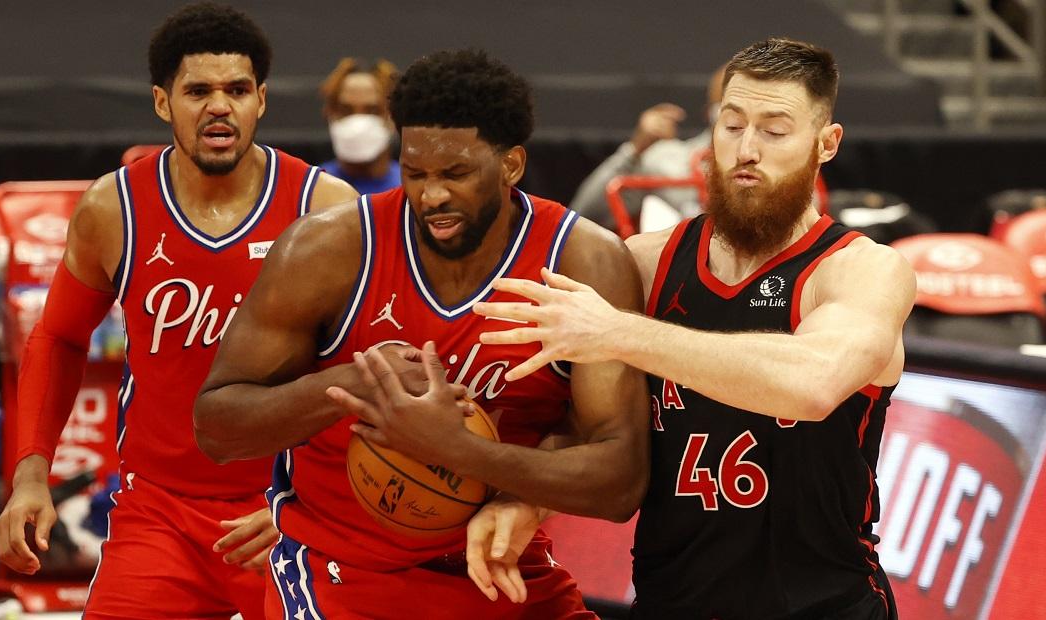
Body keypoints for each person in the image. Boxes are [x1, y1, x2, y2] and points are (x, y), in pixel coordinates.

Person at [193, 48, 649, 618]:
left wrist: (458, 453)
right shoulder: (327, 249)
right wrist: (354, 385)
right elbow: (217, 426)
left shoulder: (582, 261)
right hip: (343, 573)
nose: (432, 196)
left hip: (499, 566)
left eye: (455, 174)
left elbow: (620, 478)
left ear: (510, 165)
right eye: (416, 174)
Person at [475, 37, 914, 619]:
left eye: (774, 130)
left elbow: (813, 383)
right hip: (670, 601)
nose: (746, 149)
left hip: (824, 606)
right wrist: (526, 498)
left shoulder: (861, 270)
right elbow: (591, 424)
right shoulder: (646, 261)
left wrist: (621, 332)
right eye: (730, 126)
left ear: (825, 143)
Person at [0, 3, 357, 618]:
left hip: (282, 511)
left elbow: (364, 370)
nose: (220, 105)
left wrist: (319, 504)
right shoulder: (114, 208)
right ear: (163, 102)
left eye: (237, 89)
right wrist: (32, 470)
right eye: (199, 91)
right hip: (158, 510)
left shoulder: (324, 209)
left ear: (261, 101)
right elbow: (57, 338)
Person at [568, 65, 725, 230]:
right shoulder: (668, 160)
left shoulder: (753, 163)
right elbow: (586, 216)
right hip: (680, 253)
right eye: (726, 105)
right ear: (708, 112)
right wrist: (634, 150)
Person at [320, 57, 402, 195]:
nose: (358, 121)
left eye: (372, 110)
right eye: (346, 110)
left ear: (393, 116)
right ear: (330, 113)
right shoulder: (311, 188)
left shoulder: (410, 190)